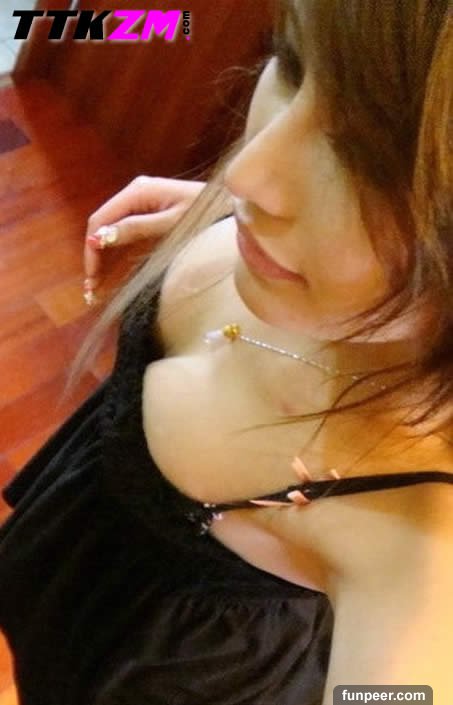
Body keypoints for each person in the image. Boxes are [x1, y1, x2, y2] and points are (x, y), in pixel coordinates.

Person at [1, 1, 452, 703]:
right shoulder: (292, 243)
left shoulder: (416, 563)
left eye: (372, 158)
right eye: (292, 62)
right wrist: (220, 217)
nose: (243, 174)